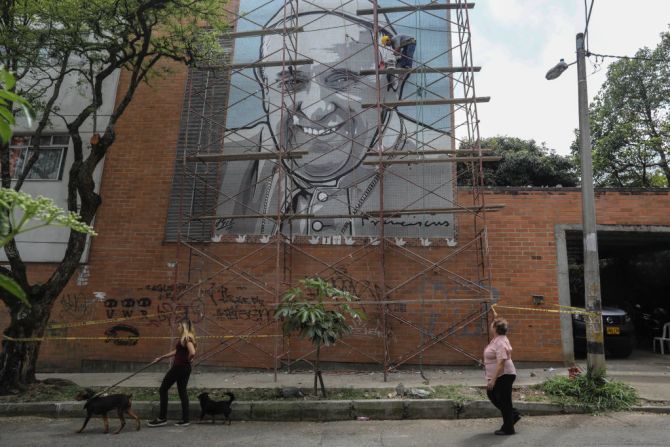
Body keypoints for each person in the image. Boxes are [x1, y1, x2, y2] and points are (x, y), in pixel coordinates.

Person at [214, 1, 455, 239]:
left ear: (392, 84)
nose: (315, 109)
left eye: (342, 79)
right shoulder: (227, 162)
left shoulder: (436, 160)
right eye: (292, 82)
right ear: (265, 88)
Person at [147, 318, 197, 427]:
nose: (178, 327)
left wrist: (188, 359)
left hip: (179, 367)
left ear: (183, 326)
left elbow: (192, 352)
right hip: (185, 368)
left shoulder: (187, 337)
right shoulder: (186, 337)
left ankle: (162, 418)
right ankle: (185, 419)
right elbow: (178, 351)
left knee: (163, 389)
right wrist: (162, 357)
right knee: (182, 392)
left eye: (179, 325)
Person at [483, 317, 521, 435]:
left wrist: (493, 380)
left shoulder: (500, 342)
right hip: (501, 375)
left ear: (495, 328)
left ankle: (508, 428)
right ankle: (512, 415)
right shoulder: (497, 339)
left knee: (504, 401)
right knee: (492, 394)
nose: (490, 326)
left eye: (492, 324)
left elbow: (501, 361)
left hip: (504, 375)